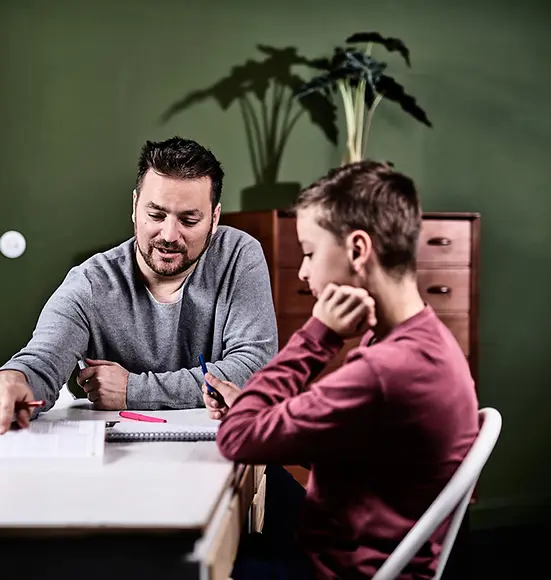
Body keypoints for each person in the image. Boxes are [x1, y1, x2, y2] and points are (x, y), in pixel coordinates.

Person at [201, 160, 480, 580]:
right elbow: (350, 442)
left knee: (184, 557)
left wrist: (318, 337)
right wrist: (259, 412)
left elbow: (236, 436)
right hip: (349, 532)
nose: (303, 271)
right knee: (256, 485)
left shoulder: (387, 368)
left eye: (311, 253)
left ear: (357, 251)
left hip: (337, 569)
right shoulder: (415, 340)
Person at [0, 136, 278, 433]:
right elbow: (42, 360)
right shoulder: (90, 283)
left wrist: (133, 389)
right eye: (155, 214)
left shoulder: (237, 255)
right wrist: (12, 379)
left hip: (232, 450)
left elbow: (254, 367)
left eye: (189, 221)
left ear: (214, 218)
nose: (169, 234)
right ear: (135, 206)